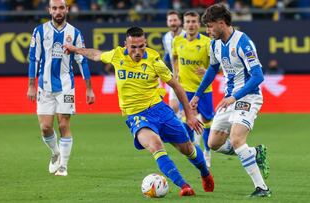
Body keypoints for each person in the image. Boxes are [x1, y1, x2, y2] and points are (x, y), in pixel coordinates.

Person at [63, 27, 214, 196]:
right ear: (125, 44)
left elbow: (177, 86)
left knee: (187, 149)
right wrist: (75, 49)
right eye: (133, 47)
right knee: (156, 145)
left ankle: (205, 173)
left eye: (141, 46)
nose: (137, 51)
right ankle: (184, 186)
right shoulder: (117, 55)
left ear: (145, 44)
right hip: (137, 116)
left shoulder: (154, 61)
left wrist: (190, 115)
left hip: (160, 110)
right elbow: (96, 54)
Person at [190, 4, 271, 197]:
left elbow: (258, 76)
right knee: (214, 143)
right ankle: (254, 153)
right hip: (229, 99)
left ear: (221, 23)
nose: (207, 31)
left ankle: (262, 188)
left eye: (209, 26)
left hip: (248, 97)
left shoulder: (243, 42)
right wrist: (197, 94)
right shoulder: (214, 44)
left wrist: (235, 96)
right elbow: (212, 69)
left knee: (236, 139)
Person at [26, 0, 95, 177]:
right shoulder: (40, 31)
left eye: (61, 8)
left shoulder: (75, 33)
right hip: (44, 86)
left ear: (67, 9)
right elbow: (34, 59)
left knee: (64, 124)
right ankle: (55, 152)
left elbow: (82, 60)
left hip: (66, 86)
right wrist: (31, 86)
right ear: (49, 10)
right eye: (54, 8)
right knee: (45, 127)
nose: (58, 11)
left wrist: (89, 88)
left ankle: (63, 166)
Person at [172, 10, 214, 168]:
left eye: (194, 22)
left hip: (203, 90)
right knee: (186, 119)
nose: (191, 25)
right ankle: (192, 151)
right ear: (183, 24)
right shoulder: (177, 41)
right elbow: (175, 57)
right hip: (185, 89)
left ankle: (208, 151)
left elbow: (218, 65)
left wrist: (208, 71)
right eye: (188, 22)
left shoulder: (206, 42)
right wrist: (176, 74)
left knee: (208, 120)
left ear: (199, 24)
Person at [162, 10, 185, 118]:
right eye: (170, 20)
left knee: (188, 109)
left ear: (180, 21)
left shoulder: (187, 36)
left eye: (175, 20)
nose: (173, 23)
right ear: (167, 22)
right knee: (173, 108)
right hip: (175, 77)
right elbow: (168, 55)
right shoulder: (166, 37)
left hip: (189, 77)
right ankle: (181, 133)